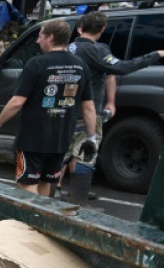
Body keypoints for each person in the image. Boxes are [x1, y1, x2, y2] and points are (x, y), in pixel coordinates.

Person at [0, 19, 96, 196]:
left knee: (26, 184)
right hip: (61, 138)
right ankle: (40, 222)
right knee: (46, 182)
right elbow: (88, 106)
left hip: (32, 139)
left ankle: (29, 221)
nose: (38, 40)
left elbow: (17, 102)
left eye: (40, 36)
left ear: (50, 37)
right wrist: (91, 137)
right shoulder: (81, 66)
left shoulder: (36, 64)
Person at [62, 11, 164, 202]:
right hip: (88, 112)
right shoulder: (97, 51)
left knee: (66, 151)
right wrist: (155, 54)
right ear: (101, 30)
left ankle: (53, 193)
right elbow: (121, 68)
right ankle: (78, 202)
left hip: (65, 109)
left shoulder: (69, 49)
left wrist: (110, 100)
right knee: (86, 153)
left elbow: (109, 75)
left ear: (79, 28)